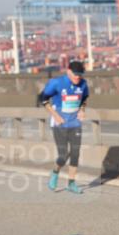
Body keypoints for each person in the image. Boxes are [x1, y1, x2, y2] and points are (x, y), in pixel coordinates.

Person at [40, 60, 90, 194]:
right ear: (68, 71)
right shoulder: (57, 83)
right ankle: (55, 172)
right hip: (59, 123)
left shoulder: (83, 84)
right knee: (63, 154)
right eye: (75, 74)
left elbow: (84, 98)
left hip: (75, 123)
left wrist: (82, 110)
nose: (78, 77)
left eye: (80, 74)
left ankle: (71, 183)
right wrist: (55, 115)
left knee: (75, 154)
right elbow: (43, 99)